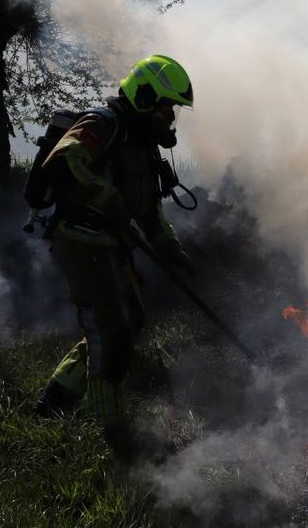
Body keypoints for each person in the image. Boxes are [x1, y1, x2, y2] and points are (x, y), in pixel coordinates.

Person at [34, 55, 197, 448]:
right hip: (82, 241)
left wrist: (170, 248)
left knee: (131, 320)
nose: (170, 117)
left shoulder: (141, 146)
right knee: (114, 334)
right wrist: (107, 199)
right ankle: (111, 432)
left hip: (111, 245)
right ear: (144, 97)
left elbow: (149, 209)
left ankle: (55, 398)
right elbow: (63, 161)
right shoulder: (101, 125)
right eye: (165, 107)